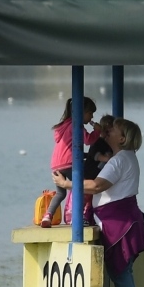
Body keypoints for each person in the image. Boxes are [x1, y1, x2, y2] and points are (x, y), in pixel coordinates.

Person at [55, 118, 144, 287]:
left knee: (121, 273)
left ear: (122, 138)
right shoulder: (127, 157)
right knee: (123, 273)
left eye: (113, 129)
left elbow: (97, 186)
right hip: (126, 219)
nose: (107, 130)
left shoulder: (118, 161)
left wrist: (66, 183)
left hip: (119, 222)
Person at [46, 97, 99, 226]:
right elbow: (89, 140)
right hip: (70, 163)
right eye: (90, 113)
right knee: (81, 187)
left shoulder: (64, 125)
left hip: (56, 164)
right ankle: (78, 216)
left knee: (60, 193)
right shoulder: (77, 125)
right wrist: (98, 131)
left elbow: (70, 147)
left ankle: (47, 216)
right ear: (82, 112)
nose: (91, 117)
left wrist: (87, 155)